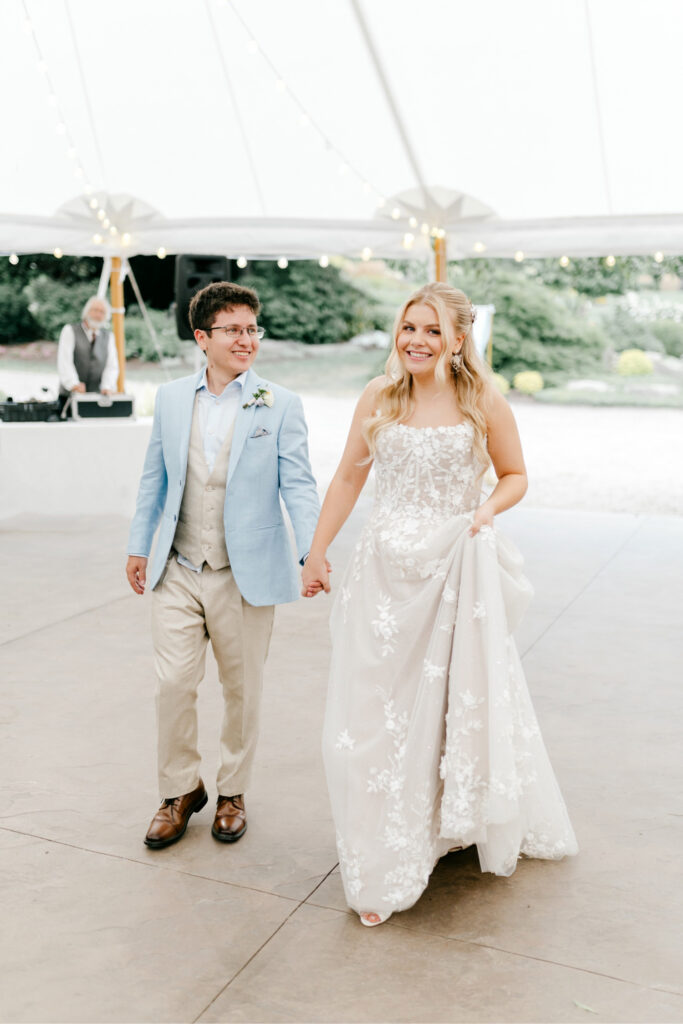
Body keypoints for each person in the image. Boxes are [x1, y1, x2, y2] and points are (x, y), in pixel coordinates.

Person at [302, 282, 578, 926]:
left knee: (452, 703)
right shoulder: (380, 395)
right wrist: (316, 552)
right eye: (408, 327)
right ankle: (383, 846)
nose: (416, 341)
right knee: (378, 712)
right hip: (383, 577)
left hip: (453, 570)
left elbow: (515, 475)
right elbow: (347, 476)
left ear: (457, 340)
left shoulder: (482, 400)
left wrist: (484, 511)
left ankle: (443, 825)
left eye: (431, 330)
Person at [126, 281, 320, 849]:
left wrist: (311, 551)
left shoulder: (280, 403)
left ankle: (233, 791)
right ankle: (180, 790)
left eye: (252, 329)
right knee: (172, 684)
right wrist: (139, 545)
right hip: (178, 565)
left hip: (245, 572)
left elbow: (299, 485)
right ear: (202, 337)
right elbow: (154, 477)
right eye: (233, 329)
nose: (246, 340)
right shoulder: (169, 398)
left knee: (243, 688)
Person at [57, 296, 119, 400]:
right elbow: (64, 361)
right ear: (87, 312)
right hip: (69, 397)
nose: (98, 315)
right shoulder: (70, 331)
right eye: (95, 310)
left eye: (102, 312)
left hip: (97, 398)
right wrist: (74, 384)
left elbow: (112, 366)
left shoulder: (109, 337)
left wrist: (107, 386)